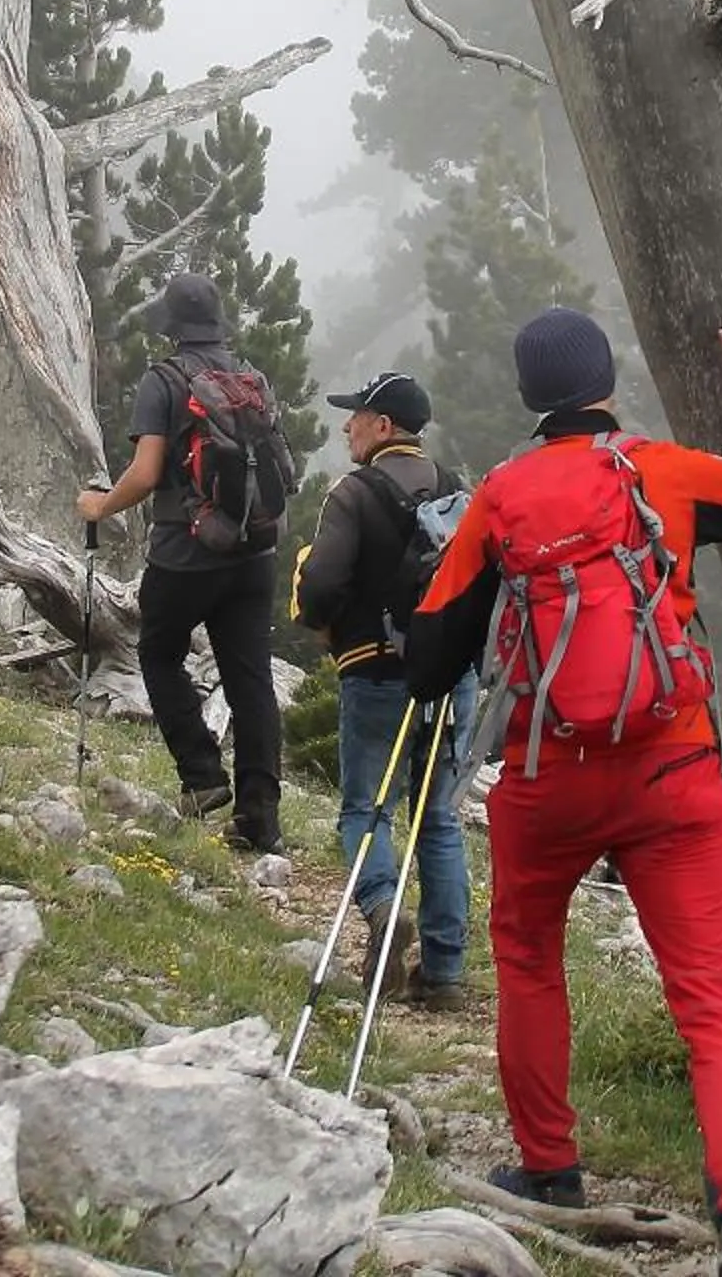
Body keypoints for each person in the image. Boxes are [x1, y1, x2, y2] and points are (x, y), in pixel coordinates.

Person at [404, 286, 722, 1277]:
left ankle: (550, 1166)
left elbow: (430, 661)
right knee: (712, 993)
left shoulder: (501, 497)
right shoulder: (664, 473)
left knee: (527, 957)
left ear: (531, 397)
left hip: (549, 779)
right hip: (672, 768)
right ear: (603, 384)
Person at [76, 272, 293, 855]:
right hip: (254, 552)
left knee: (158, 654)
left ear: (171, 327)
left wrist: (99, 505)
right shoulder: (252, 378)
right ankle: (259, 821)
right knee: (250, 681)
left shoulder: (164, 380)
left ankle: (201, 777)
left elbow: (145, 475)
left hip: (186, 553)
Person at [292, 369, 473, 1011]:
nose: (346, 426)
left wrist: (318, 624)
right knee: (441, 818)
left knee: (366, 809)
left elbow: (319, 586)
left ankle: (379, 904)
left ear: (383, 426)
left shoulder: (354, 492)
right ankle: (445, 973)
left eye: (356, 417)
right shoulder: (457, 489)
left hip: (375, 670)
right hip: (452, 677)